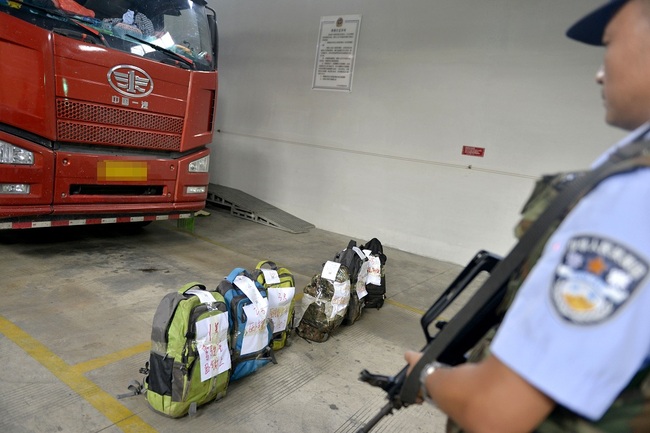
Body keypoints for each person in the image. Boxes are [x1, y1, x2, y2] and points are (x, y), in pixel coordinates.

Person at [405, 1, 650, 432]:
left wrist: (424, 376)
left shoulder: (632, 197)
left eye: (609, 45)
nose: (598, 72)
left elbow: (497, 411)